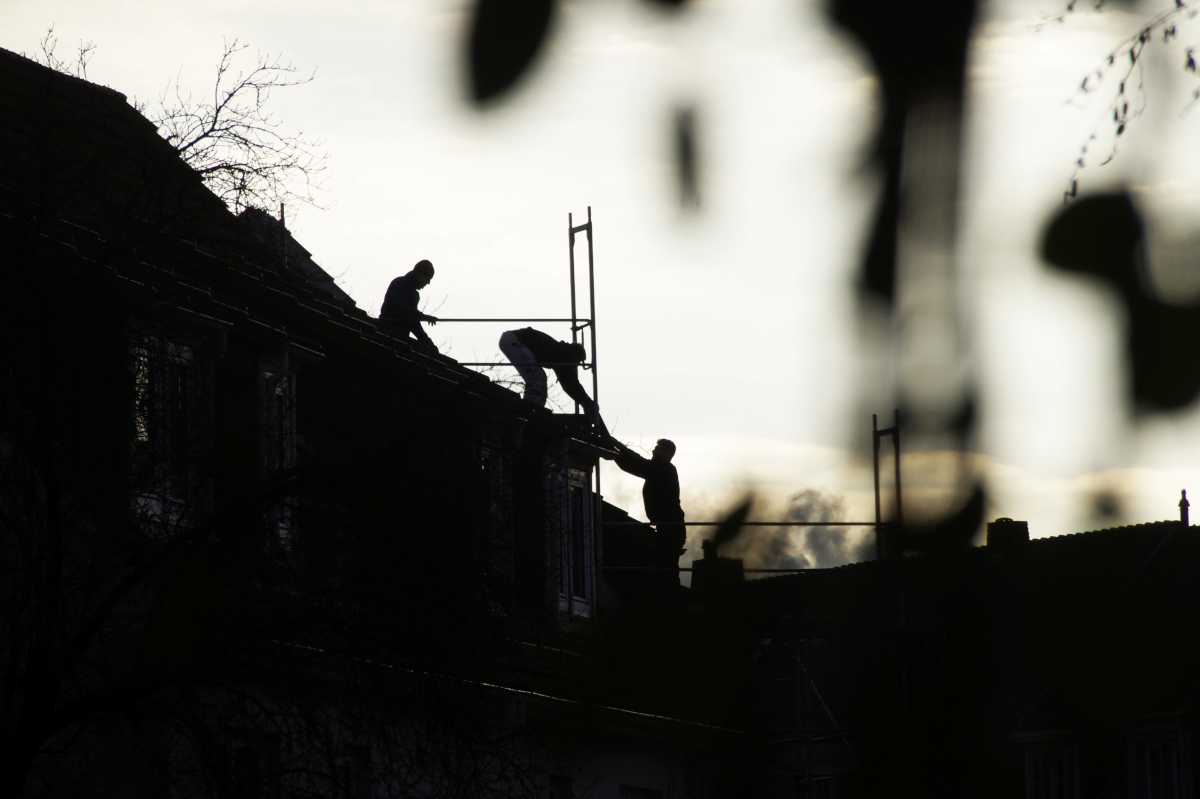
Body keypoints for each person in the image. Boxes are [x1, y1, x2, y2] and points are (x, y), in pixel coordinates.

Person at [498, 327, 608, 436]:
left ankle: (532, 413)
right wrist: (587, 402)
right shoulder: (562, 354)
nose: (576, 365)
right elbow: (570, 382)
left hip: (513, 339)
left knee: (538, 378)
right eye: (578, 362)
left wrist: (585, 402)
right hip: (515, 341)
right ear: (574, 357)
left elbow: (569, 384)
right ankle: (528, 415)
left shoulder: (560, 351)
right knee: (537, 379)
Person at [605, 438, 686, 560]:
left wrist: (616, 452)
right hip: (669, 527)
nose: (653, 451)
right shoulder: (661, 469)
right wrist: (618, 448)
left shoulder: (663, 469)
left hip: (670, 528)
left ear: (665, 454)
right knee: (666, 564)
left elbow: (637, 465)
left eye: (657, 449)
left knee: (666, 565)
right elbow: (639, 461)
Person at [380, 260, 438, 351]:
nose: (428, 283)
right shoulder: (400, 283)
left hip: (401, 337)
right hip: (386, 331)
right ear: (419, 274)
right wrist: (422, 316)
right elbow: (400, 308)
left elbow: (413, 322)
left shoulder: (414, 294)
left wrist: (428, 343)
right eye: (427, 278)